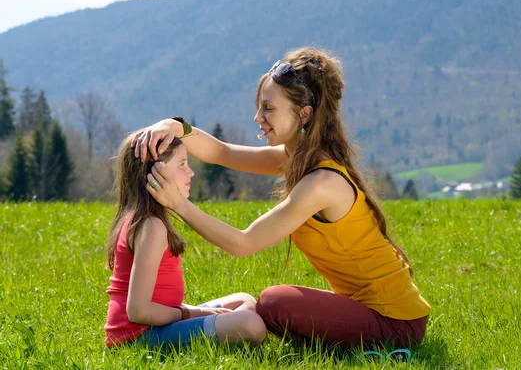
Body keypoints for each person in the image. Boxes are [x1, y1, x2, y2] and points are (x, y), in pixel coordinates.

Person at [133, 47, 431, 350]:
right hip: (375, 311)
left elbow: (243, 243)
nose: (257, 117)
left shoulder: (322, 182)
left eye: (268, 108)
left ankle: (379, 351)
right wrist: (175, 126)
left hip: (395, 322)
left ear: (304, 113)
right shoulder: (299, 158)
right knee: (274, 304)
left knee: (275, 303)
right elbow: (222, 153)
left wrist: (179, 204)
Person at [104, 134, 266, 348]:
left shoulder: (146, 221)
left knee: (245, 301)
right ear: (156, 174)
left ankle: (219, 333)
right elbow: (138, 311)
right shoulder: (151, 227)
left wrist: (194, 312)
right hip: (139, 337)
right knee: (250, 324)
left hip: (155, 323)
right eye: (182, 165)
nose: (191, 172)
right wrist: (192, 313)